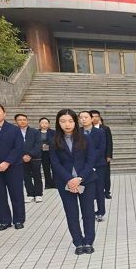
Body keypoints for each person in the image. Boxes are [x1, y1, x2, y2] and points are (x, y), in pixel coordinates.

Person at [49, 109, 97, 255]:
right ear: (58, 123)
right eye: (63, 121)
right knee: (71, 213)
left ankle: (88, 241)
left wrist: (79, 178)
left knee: (88, 212)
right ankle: (78, 242)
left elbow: (91, 160)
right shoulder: (54, 140)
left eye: (70, 121)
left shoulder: (85, 138)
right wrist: (69, 179)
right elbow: (55, 163)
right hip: (65, 183)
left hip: (86, 181)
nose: (67, 124)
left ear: (75, 122)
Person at [0, 104, 25, 231]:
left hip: (13, 167)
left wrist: (7, 162)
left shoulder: (14, 129)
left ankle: (18, 220)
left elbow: (18, 147)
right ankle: (4, 221)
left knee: (16, 194)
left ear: (4, 113)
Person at [80, 111, 107, 222]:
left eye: (86, 117)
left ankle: (100, 212)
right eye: (81, 117)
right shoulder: (77, 132)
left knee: (99, 189)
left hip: (98, 165)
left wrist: (90, 160)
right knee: (85, 191)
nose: (83, 119)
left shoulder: (100, 132)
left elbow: (101, 148)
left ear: (91, 119)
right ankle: (87, 213)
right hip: (82, 166)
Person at [16, 113, 44, 203]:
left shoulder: (35, 131)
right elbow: (13, 146)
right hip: (21, 158)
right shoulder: (14, 132)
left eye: (24, 119)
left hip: (35, 158)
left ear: (27, 120)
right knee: (26, 177)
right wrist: (22, 156)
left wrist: (29, 155)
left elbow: (38, 144)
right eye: (20, 120)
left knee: (37, 176)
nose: (22, 121)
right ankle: (30, 194)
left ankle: (38, 194)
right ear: (16, 121)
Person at [94, 115, 113, 199]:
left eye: (96, 117)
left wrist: (109, 155)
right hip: (92, 157)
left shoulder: (105, 129)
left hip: (104, 157)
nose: (94, 118)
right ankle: (95, 193)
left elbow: (109, 142)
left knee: (106, 175)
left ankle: (107, 192)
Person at [39, 117, 55, 189]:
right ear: (39, 124)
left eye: (46, 123)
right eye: (42, 123)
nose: (44, 124)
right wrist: (41, 146)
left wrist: (48, 145)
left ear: (48, 124)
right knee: (46, 169)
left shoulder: (53, 132)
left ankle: (55, 184)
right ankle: (48, 184)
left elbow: (56, 141)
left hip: (52, 153)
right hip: (43, 154)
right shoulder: (36, 132)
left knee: (54, 168)